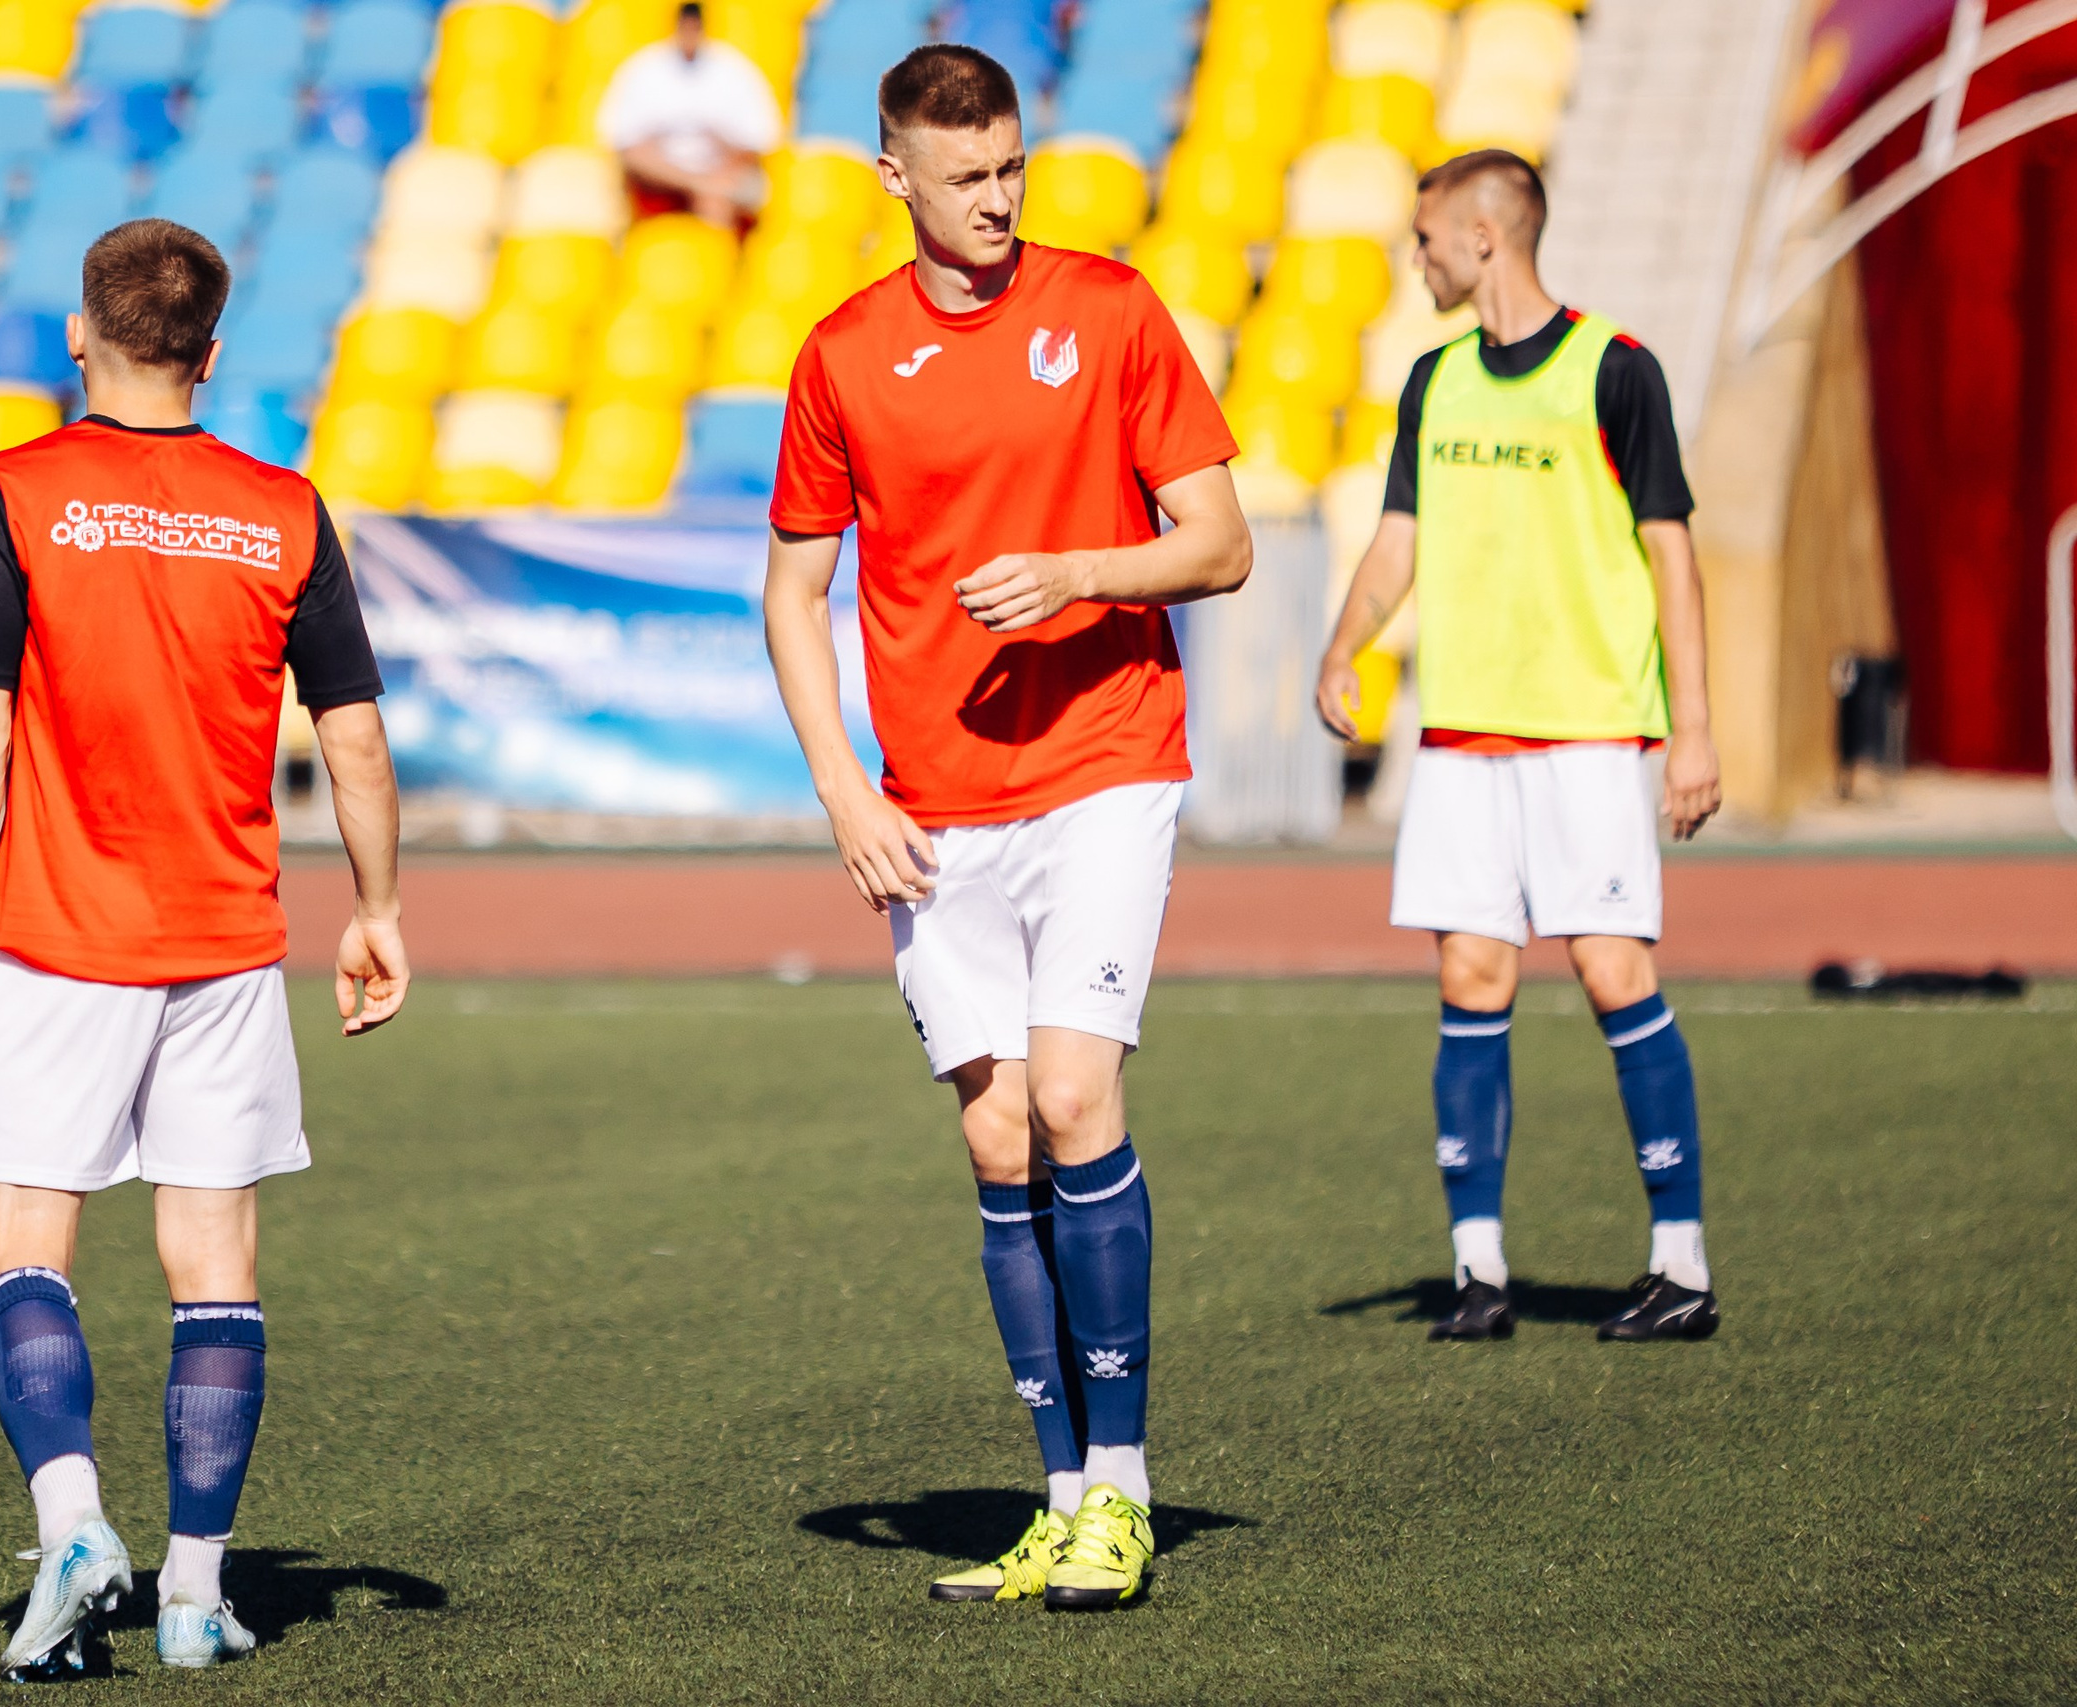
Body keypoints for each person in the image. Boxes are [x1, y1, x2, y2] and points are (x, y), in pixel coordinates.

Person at [763, 45, 1253, 1609]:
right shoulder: (842, 351)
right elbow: (792, 589)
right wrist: (843, 787)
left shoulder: (1107, 310)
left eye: (1014, 169)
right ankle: (1056, 1494)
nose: (998, 199)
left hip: (1108, 762)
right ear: (893, 175)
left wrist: (1078, 575)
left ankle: (1124, 1486)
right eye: (966, 175)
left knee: (1070, 1095)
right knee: (992, 1133)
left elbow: (1222, 543)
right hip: (930, 804)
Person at [0, 218, 411, 1679]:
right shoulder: (285, 509)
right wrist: (377, 908)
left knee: (24, 1240)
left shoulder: (13, 490)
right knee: (214, 1264)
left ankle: (74, 1517)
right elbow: (357, 736)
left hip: (60, 937)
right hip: (227, 946)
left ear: (83, 335)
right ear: (211, 348)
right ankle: (194, 1592)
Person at [1313, 150, 1723, 1346]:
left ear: (1486, 237)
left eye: (1428, 236)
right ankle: (1478, 1272)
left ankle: (1681, 1267)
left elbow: (1673, 558)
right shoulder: (1433, 383)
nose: (1418, 256)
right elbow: (1399, 537)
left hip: (1588, 731)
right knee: (1469, 984)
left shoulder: (1616, 371)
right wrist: (1346, 645)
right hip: (1460, 740)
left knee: (1612, 977)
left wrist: (1689, 729)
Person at [596, 1, 781, 227]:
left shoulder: (735, 70)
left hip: (721, 176)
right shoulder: (644, 69)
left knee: (718, 201)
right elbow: (625, 144)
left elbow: (757, 143)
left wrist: (717, 173)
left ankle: (714, 255)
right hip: (660, 176)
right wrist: (695, 182)